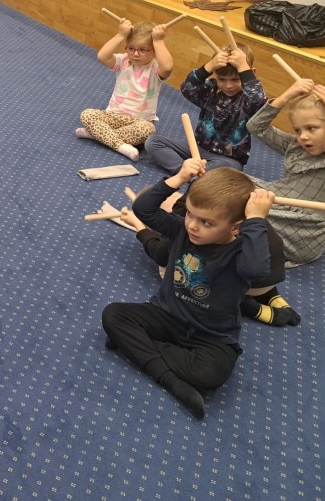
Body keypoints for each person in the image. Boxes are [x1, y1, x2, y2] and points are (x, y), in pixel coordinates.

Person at [102, 161, 274, 418]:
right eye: (191, 214)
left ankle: (135, 345)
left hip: (210, 335)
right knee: (113, 314)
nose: (192, 225)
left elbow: (257, 270)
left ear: (236, 226)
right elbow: (142, 209)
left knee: (211, 374)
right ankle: (170, 380)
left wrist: (257, 219)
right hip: (164, 314)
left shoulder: (241, 252)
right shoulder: (181, 230)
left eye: (206, 222)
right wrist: (179, 177)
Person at [121, 189, 300, 327]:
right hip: (274, 271)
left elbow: (160, 255)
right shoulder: (216, 198)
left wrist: (139, 226)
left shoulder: (183, 216)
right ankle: (271, 295)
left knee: (172, 268)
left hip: (250, 279)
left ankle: (251, 307)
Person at [145, 43, 266, 173]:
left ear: (250, 73)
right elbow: (187, 88)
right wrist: (209, 66)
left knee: (233, 169)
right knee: (153, 142)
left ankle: (193, 173)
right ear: (215, 74)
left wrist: (243, 67)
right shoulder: (212, 89)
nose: (228, 85)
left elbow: (259, 101)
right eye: (222, 79)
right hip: (196, 149)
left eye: (235, 80)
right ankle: (185, 171)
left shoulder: (248, 98)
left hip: (227, 159)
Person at [246, 78, 325, 267]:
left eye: (311, 128)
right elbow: (255, 127)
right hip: (279, 199)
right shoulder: (296, 145)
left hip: (303, 226)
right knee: (229, 180)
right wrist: (287, 95)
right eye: (298, 130)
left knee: (241, 205)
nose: (303, 136)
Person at [77, 17, 173, 161]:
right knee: (87, 114)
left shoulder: (155, 68)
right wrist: (120, 35)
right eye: (131, 48)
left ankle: (96, 134)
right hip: (114, 115)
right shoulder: (123, 61)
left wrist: (158, 41)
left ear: (154, 51)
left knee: (148, 130)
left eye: (142, 50)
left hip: (139, 121)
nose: (135, 54)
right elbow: (102, 56)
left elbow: (167, 67)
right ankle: (120, 145)